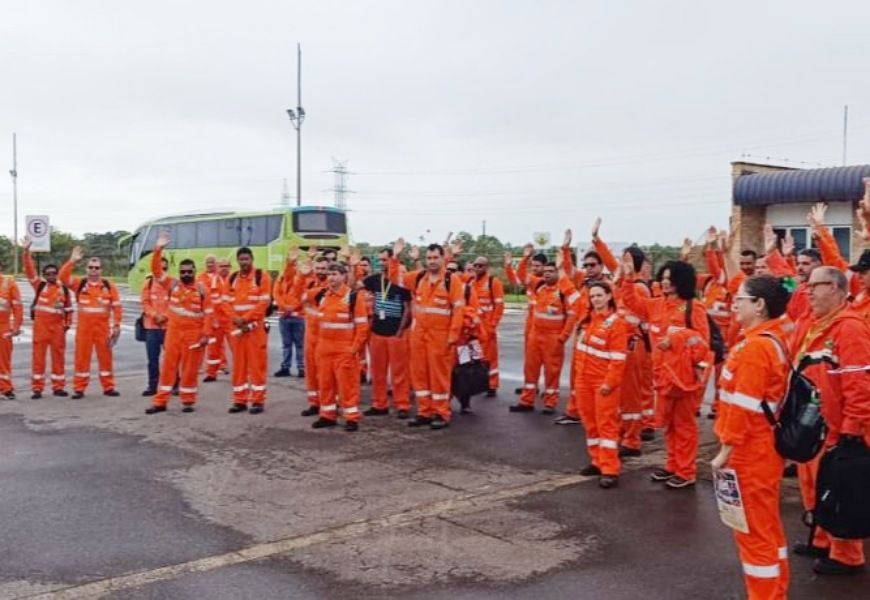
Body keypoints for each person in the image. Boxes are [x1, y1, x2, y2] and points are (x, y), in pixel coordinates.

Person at [711, 275, 792, 599]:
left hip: (749, 452)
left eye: (741, 299)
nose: (734, 303)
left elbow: (742, 407)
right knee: (767, 528)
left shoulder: (758, 347)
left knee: (754, 534)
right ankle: (776, 591)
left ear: (759, 305)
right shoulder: (767, 339)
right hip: (760, 449)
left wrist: (723, 452)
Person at [789, 266, 870, 576]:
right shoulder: (817, 325)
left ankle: (848, 556)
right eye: (808, 286)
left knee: (840, 491)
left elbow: (859, 384)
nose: (808, 291)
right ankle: (822, 539)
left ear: (836, 289)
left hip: (837, 428)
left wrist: (852, 429)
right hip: (815, 424)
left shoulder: (849, 328)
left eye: (816, 286)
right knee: (814, 487)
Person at [621, 257, 712, 489]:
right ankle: (672, 465)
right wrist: (629, 277)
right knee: (669, 425)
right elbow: (631, 301)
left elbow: (702, 343)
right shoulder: (655, 305)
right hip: (663, 377)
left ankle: (686, 471)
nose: (664, 283)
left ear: (681, 282)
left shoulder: (694, 307)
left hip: (685, 379)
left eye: (669, 280)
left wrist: (675, 338)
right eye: (662, 278)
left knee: (684, 426)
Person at [392, 240, 465, 430]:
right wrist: (396, 257)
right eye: (429, 258)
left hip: (440, 338)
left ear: (443, 259)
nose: (432, 261)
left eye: (435, 257)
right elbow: (395, 280)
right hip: (418, 336)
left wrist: (453, 336)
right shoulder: (419, 278)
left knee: (439, 377)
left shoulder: (451, 280)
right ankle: (424, 412)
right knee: (419, 376)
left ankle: (441, 412)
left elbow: (459, 309)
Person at [145, 232, 214, 414]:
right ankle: (160, 402)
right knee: (168, 367)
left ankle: (188, 400)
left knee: (190, 370)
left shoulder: (201, 289)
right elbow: (156, 271)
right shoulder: (173, 285)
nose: (185, 274)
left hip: (194, 335)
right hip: (173, 333)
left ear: (194, 272)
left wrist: (206, 334)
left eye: (189, 271)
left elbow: (209, 313)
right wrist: (158, 249)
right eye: (183, 271)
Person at [575, 282, 629, 489]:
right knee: (590, 423)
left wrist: (609, 383)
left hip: (603, 383)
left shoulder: (616, 323)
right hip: (584, 380)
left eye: (599, 295)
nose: (595, 299)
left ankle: (610, 469)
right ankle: (596, 461)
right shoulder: (588, 320)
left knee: (606, 424)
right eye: (593, 296)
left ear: (609, 297)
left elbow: (618, 359)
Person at [509, 261, 579, 415]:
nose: (547, 273)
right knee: (530, 369)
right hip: (536, 335)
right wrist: (525, 259)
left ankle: (550, 402)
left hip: (553, 338)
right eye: (545, 271)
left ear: (557, 273)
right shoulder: (539, 287)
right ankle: (526, 401)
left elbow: (572, 316)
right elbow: (520, 277)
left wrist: (563, 337)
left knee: (552, 371)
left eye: (551, 271)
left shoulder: (563, 292)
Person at [309, 263, 369, 431]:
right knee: (325, 384)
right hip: (324, 349)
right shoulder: (322, 296)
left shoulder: (353, 297)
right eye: (329, 274)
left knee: (347, 386)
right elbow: (303, 297)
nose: (331, 277)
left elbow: (362, 327)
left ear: (343, 276)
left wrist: (354, 349)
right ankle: (327, 415)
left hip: (344, 350)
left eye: (335, 274)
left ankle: (351, 417)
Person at [59, 247, 122, 399]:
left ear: (101, 270)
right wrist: (72, 260)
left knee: (106, 359)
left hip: (103, 330)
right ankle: (79, 388)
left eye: (97, 268)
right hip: (84, 331)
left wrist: (117, 325)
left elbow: (117, 307)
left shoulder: (109, 286)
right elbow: (62, 277)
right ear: (86, 269)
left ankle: (108, 387)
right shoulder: (79, 284)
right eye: (91, 267)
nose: (94, 270)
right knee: (81, 360)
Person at [221, 247, 272, 414]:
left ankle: (257, 401)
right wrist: (236, 319)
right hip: (237, 329)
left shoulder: (261, 277)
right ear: (237, 261)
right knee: (239, 367)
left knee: (257, 366)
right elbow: (225, 302)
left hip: (255, 329)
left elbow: (264, 303)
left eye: (246, 259)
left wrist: (246, 318)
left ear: (252, 259)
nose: (244, 262)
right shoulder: (232, 278)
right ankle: (240, 400)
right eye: (241, 259)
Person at [363, 248, 412, 418]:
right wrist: (352, 264)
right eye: (380, 260)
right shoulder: (375, 280)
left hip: (396, 334)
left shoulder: (400, 282)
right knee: (378, 372)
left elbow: (407, 308)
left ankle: (402, 404)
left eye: (385, 260)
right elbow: (353, 284)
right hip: (377, 333)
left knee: (399, 372)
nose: (382, 263)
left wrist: (400, 330)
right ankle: (379, 404)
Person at [23, 237, 71, 398]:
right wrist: (25, 252)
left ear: (57, 274)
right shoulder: (40, 286)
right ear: (44, 275)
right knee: (38, 359)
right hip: (40, 330)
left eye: (54, 273)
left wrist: (67, 325)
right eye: (48, 273)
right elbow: (29, 270)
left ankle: (58, 387)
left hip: (57, 330)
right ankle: (37, 388)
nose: (51, 275)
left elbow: (69, 309)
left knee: (58, 359)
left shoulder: (63, 290)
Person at [504, 244, 548, 395]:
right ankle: (530, 386)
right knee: (531, 360)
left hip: (546, 326)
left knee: (547, 361)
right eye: (533, 265)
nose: (535, 268)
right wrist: (513, 264)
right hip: (531, 323)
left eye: (538, 266)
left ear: (545, 266)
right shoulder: (531, 280)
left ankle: (548, 390)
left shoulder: (545, 282)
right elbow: (516, 279)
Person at [295, 254, 330, 416]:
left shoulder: (332, 286)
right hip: (310, 334)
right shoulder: (308, 282)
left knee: (326, 373)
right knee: (311, 371)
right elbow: (298, 296)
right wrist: (301, 276)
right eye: (318, 268)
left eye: (324, 268)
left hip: (326, 336)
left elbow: (307, 297)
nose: (320, 271)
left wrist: (309, 294)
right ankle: (314, 403)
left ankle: (329, 404)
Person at [470, 257, 505, 396]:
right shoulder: (470, 282)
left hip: (487, 328)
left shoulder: (493, 282)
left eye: (481, 265)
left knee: (490, 358)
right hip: (473, 327)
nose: (478, 267)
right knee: (474, 356)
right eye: (475, 265)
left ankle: (492, 385)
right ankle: (477, 384)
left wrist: (492, 326)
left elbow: (499, 306)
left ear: (487, 267)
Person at [140, 254, 170, 396]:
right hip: (151, 328)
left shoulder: (172, 284)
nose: (161, 271)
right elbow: (145, 303)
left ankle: (174, 384)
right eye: (159, 268)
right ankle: (152, 386)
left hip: (168, 327)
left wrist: (165, 317)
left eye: (164, 268)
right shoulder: (148, 284)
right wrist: (155, 315)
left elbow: (176, 304)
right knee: (152, 359)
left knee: (171, 358)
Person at [273, 248, 305, 378]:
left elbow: (304, 295)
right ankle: (285, 367)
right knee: (286, 344)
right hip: (284, 316)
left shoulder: (302, 278)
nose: (294, 266)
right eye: (292, 263)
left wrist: (293, 307)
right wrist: (284, 306)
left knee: (299, 344)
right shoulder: (281, 279)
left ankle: (301, 368)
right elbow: (276, 293)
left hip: (298, 316)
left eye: (296, 263)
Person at [201, 256, 231, 382]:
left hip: (231, 320)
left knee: (237, 347)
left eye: (226, 266)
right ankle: (211, 373)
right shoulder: (213, 281)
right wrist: (212, 319)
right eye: (221, 266)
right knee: (213, 348)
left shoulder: (235, 280)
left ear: (230, 268)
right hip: (217, 320)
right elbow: (210, 302)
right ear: (218, 268)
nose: (224, 269)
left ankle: (243, 373)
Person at [0, 260, 23, 399]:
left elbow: (18, 307)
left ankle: (6, 388)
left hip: (3, 328)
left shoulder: (9, 284)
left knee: (3, 361)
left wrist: (16, 327)